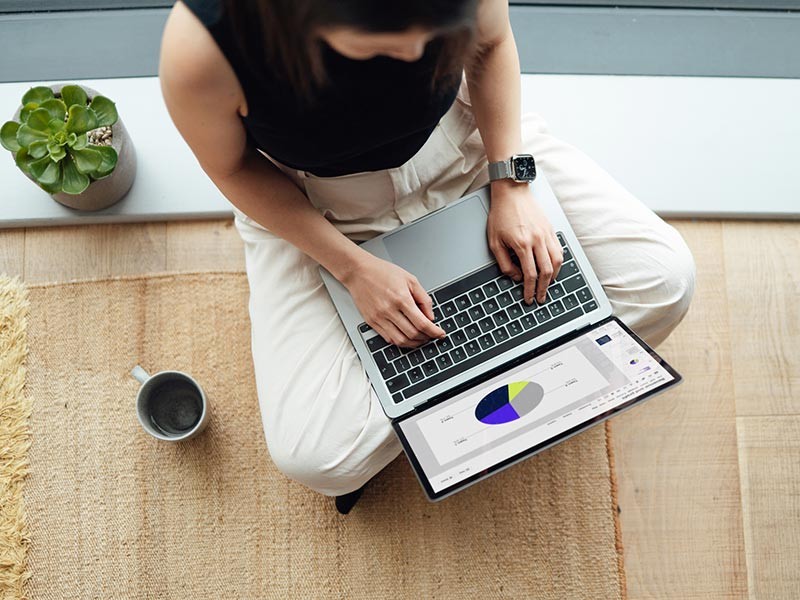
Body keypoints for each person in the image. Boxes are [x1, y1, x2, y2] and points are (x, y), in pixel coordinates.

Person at [159, 0, 696, 514]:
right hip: (313, 201)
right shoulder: (204, 49)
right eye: (390, 45)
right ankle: (499, 364)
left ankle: (462, 380)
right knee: (318, 458)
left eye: (435, 34)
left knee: (664, 281)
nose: (420, 57)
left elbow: (489, 47)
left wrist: (509, 183)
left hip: (464, 145)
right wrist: (353, 269)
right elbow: (231, 169)